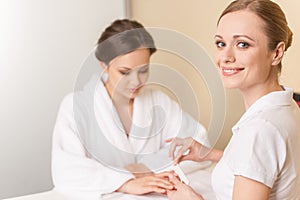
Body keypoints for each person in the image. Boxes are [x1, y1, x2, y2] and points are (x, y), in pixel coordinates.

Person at [51, 19, 210, 199]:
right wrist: (125, 182)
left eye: (143, 71)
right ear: (104, 65)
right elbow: (66, 169)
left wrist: (146, 167)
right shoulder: (76, 107)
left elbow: (198, 144)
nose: (136, 82)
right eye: (125, 72)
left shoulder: (159, 101)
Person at [167, 0, 300, 199]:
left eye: (242, 44)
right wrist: (211, 154)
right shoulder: (288, 106)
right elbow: (265, 166)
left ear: (276, 53)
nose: (226, 56)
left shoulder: (260, 130)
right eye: (221, 43)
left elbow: (259, 145)